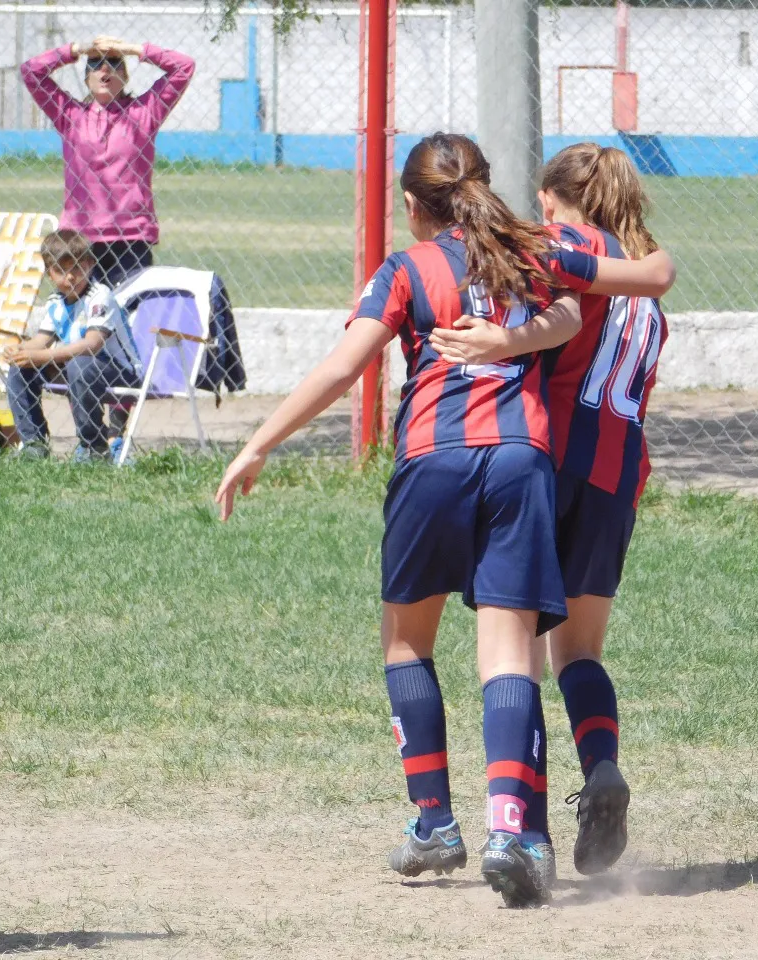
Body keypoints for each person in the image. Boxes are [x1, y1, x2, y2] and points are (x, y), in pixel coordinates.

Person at [214, 133, 670, 907]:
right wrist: (512, 337)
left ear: (409, 203)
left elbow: (341, 365)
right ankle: (513, 830)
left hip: (435, 458)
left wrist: (257, 443)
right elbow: (603, 298)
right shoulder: (530, 252)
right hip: (537, 460)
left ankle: (434, 819)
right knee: (514, 652)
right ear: (488, 189)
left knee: (407, 642)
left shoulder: (411, 267)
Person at [430, 142, 675, 878]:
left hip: (550, 458)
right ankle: (601, 766)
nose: (541, 216)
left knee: (516, 653)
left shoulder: (572, 246)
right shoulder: (639, 265)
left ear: (560, 202)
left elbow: (548, 300)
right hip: (618, 471)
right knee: (580, 653)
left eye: (545, 204)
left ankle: (524, 829)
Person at [21, 35, 195, 286]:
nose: (104, 69)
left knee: (129, 313)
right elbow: (31, 71)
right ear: (86, 79)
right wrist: (76, 49)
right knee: (83, 313)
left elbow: (184, 67)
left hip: (131, 235)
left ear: (124, 77)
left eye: (114, 63)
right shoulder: (69, 115)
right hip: (80, 237)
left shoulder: (145, 112)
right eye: (94, 64)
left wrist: (132, 49)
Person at [2, 230, 140, 462]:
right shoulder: (56, 302)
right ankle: (33, 443)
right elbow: (41, 341)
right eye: (60, 270)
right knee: (20, 367)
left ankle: (93, 445)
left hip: (121, 371)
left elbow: (92, 344)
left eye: (77, 267)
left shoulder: (100, 295)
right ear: (49, 273)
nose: (70, 277)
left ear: (90, 265)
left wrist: (42, 356)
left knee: (80, 363)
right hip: (77, 369)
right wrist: (21, 350)